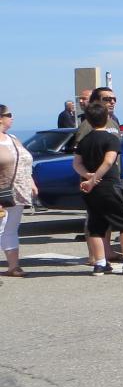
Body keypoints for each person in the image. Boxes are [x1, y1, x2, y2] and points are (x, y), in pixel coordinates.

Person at [73, 104, 123, 276]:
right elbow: (108, 162)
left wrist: (87, 177)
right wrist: (95, 178)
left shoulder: (85, 140)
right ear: (107, 118)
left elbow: (76, 163)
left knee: (96, 224)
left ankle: (100, 263)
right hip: (109, 185)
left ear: (88, 120)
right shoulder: (111, 139)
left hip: (91, 189)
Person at [0, 104, 37, 277]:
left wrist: (31, 182)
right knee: (1, 227)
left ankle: (13, 266)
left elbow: (23, 162)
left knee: (10, 228)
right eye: (9, 114)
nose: (12, 117)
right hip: (2, 191)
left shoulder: (13, 138)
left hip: (17, 192)